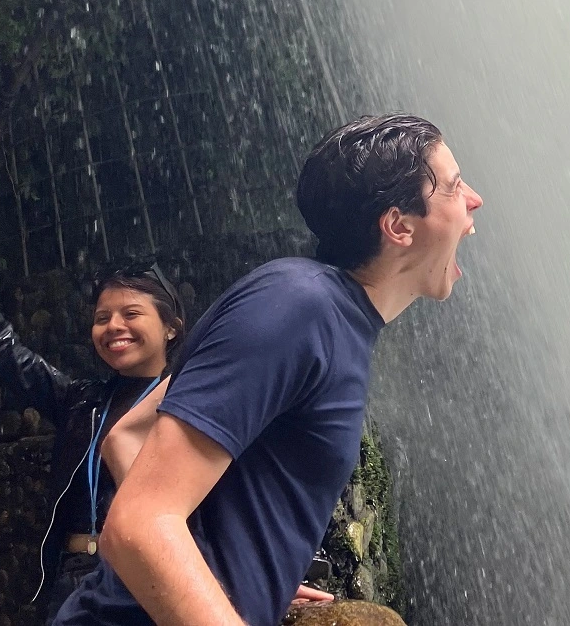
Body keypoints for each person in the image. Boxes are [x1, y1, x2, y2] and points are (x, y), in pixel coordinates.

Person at [53, 113, 483, 626]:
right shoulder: (297, 307)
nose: (474, 200)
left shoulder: (330, 318)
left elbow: (127, 437)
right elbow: (139, 524)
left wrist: (229, 576)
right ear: (398, 227)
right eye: (454, 186)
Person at [0, 193, 187, 624]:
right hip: (74, 577)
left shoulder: (189, 406)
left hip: (150, 574)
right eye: (102, 317)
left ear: (171, 328)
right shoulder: (82, 402)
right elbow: (3, 353)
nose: (114, 326)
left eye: (130, 313)